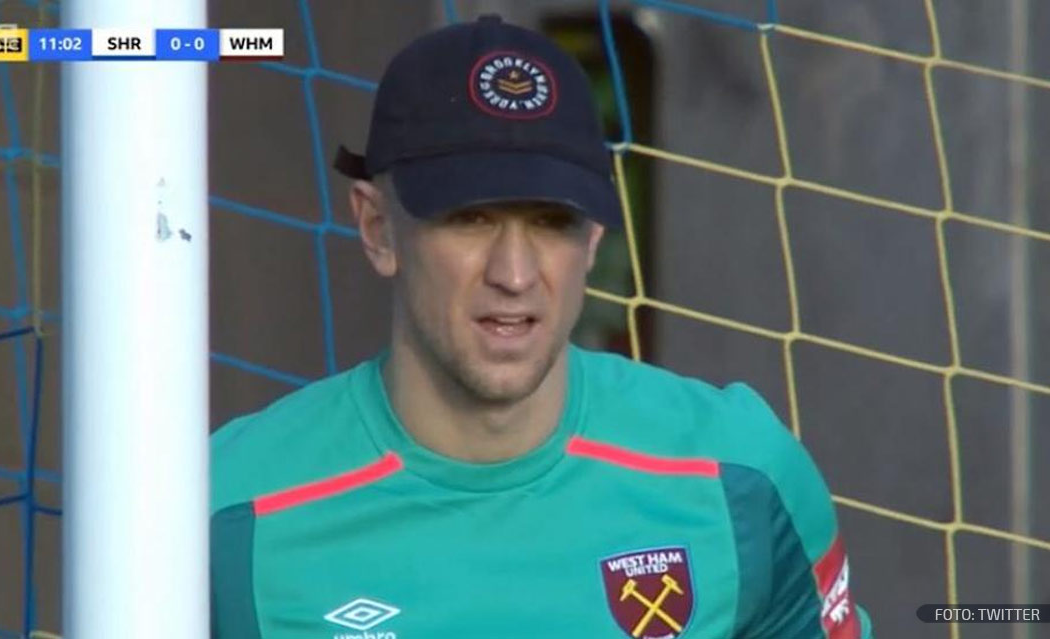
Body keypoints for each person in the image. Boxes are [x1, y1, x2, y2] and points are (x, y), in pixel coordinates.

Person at [211, 14, 873, 639]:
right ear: (378, 228)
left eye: (552, 222)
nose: (516, 272)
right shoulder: (225, 512)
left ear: (592, 240)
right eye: (469, 217)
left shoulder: (741, 475)